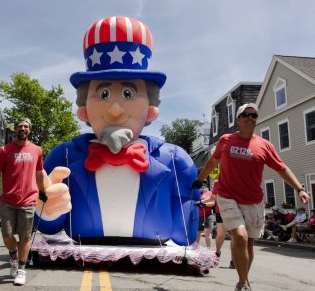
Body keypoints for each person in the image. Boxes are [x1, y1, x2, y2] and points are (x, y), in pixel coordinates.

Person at [34, 16, 197, 248]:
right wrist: (49, 210)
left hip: (152, 255)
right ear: (84, 111)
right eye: (103, 94)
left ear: (151, 110)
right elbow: (46, 227)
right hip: (85, 249)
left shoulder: (174, 159)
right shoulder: (65, 157)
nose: (115, 110)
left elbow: (185, 231)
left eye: (129, 94)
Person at [194, 103, 310, 291]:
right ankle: (243, 284)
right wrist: (198, 181)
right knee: (240, 236)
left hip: (253, 200)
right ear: (238, 120)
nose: (250, 117)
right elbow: (212, 162)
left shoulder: (265, 146)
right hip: (227, 195)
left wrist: (300, 189)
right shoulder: (225, 140)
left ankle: (243, 279)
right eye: (246, 114)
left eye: (254, 115)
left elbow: (282, 168)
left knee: (249, 243)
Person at [0, 119, 46, 286]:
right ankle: (14, 257)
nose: (23, 128)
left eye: (26, 126)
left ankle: (21, 269)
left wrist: (43, 191)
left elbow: (39, 173)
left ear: (29, 130)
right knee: (7, 235)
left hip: (28, 200)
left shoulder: (37, 150)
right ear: (15, 129)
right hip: (7, 200)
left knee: (25, 236)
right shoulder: (4, 150)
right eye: (20, 126)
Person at [195, 181, 215, 247]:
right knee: (198, 233)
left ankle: (208, 250)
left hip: (209, 215)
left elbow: (213, 203)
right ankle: (195, 249)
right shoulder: (196, 193)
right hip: (199, 215)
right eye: (202, 184)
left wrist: (204, 204)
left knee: (207, 232)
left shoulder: (209, 192)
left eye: (205, 184)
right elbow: (193, 203)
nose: (203, 185)